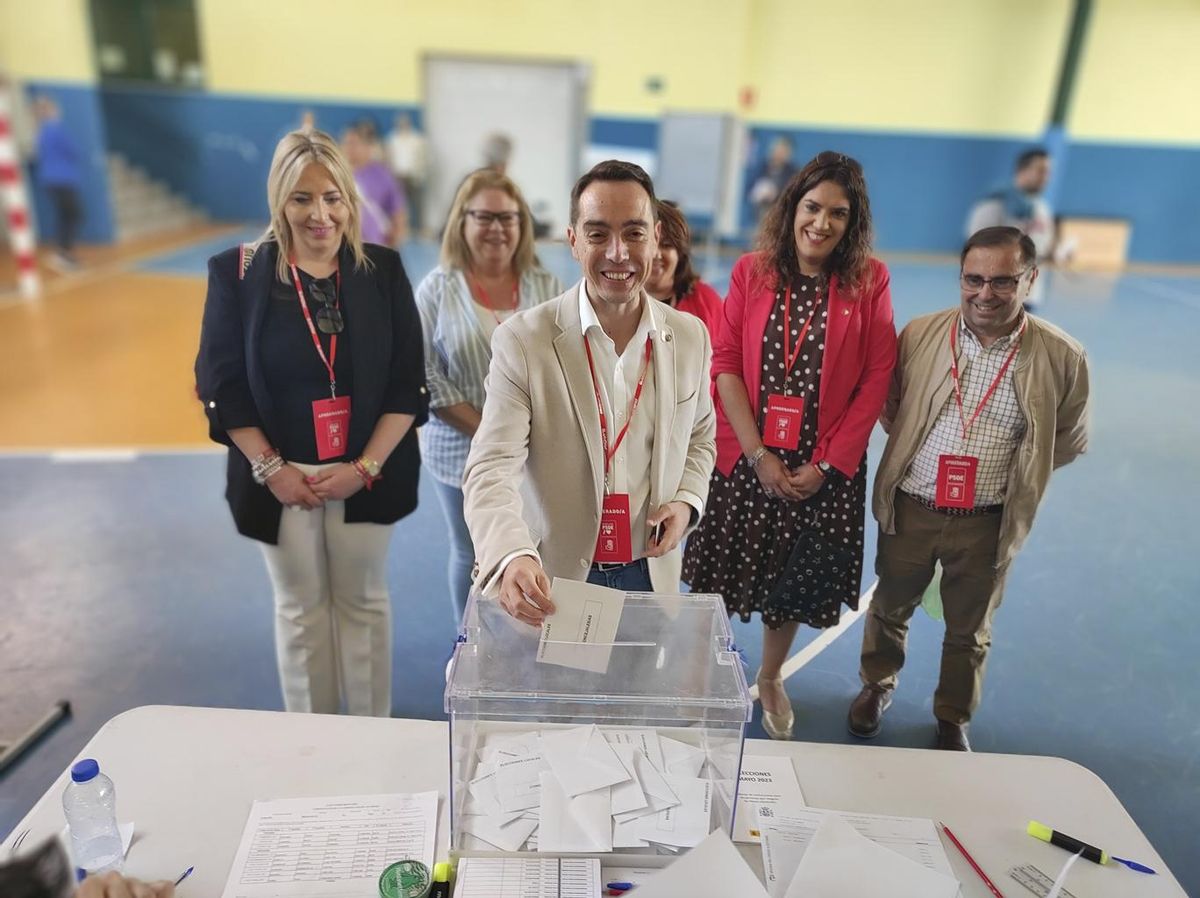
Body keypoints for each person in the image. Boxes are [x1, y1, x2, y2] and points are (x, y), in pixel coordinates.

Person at [195, 129, 429, 717]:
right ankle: (311, 736)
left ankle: (372, 730)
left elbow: (408, 382)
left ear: (350, 201)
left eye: (332, 197)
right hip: (279, 476)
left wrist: (365, 466)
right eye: (302, 198)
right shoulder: (238, 273)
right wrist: (272, 470)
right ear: (279, 200)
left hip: (365, 471)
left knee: (364, 601)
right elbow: (220, 384)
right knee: (299, 607)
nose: (319, 213)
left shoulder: (382, 270)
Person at [848, 226, 1090, 751]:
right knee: (890, 607)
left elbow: (1065, 442)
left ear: (1031, 279)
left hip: (988, 520)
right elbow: (891, 409)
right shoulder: (919, 335)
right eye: (973, 279)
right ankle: (876, 685)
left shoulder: (1063, 358)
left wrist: (1011, 480)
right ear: (960, 277)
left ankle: (953, 714)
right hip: (912, 507)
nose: (985, 294)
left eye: (1003, 281)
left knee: (970, 630)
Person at [683, 151, 896, 741]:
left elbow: (877, 374)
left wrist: (827, 464)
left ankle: (772, 676)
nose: (821, 224)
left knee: (791, 583)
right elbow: (724, 363)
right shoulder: (751, 271)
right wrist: (757, 453)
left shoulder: (869, 281)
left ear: (852, 224)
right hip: (749, 458)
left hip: (821, 468)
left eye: (837, 214)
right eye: (811, 207)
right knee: (719, 578)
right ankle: (701, 673)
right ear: (792, 207)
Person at [463, 160, 716, 624]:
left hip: (650, 573)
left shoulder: (691, 337)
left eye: (634, 233)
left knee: (638, 696)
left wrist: (686, 502)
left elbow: (700, 437)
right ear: (572, 240)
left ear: (657, 237)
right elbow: (490, 468)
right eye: (598, 234)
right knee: (568, 697)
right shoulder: (524, 342)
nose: (618, 253)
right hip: (556, 577)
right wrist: (512, 554)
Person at [416, 169, 563, 623]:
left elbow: (564, 366)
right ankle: (469, 641)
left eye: (509, 217)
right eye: (485, 217)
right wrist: (497, 434)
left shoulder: (546, 286)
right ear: (462, 221)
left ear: (522, 226)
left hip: (536, 453)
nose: (497, 228)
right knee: (471, 549)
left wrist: (526, 439)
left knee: (529, 548)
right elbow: (426, 377)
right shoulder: (437, 289)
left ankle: (525, 638)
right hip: (457, 451)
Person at [965, 148, 1054, 310]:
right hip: (998, 298)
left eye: (1048, 172)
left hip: (1030, 295)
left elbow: (1044, 245)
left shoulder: (1042, 208)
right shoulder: (993, 205)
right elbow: (978, 251)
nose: (1046, 178)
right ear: (1023, 170)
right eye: (1041, 171)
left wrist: (1056, 253)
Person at [645, 200, 723, 345]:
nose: (656, 254)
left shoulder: (706, 301)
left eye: (667, 245)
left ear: (680, 253)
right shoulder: (616, 303)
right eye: (650, 244)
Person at [32, 96, 84, 271]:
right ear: (49, 112)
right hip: (60, 180)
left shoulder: (43, 132)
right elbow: (72, 151)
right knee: (72, 214)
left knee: (68, 215)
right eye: (53, 109)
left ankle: (64, 253)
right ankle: (62, 253)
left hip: (56, 180)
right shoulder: (53, 129)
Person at [342, 124, 407, 247]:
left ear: (368, 147)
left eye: (354, 143)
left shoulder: (383, 175)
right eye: (346, 143)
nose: (348, 147)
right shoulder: (336, 174)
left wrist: (395, 240)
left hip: (374, 246)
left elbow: (398, 211)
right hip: (344, 245)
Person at [386, 113, 428, 235]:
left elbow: (423, 158)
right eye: (400, 123)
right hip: (398, 176)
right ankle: (404, 229)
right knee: (400, 204)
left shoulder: (417, 139)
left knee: (417, 203)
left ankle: (419, 229)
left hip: (413, 176)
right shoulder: (392, 139)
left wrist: (420, 172)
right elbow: (389, 157)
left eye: (405, 123)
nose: (402, 125)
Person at [747, 135, 798, 225]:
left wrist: (776, 193)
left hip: (782, 215)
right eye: (778, 149)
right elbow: (749, 188)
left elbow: (795, 193)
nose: (779, 153)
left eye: (783, 151)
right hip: (760, 214)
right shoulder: (760, 168)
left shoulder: (793, 172)